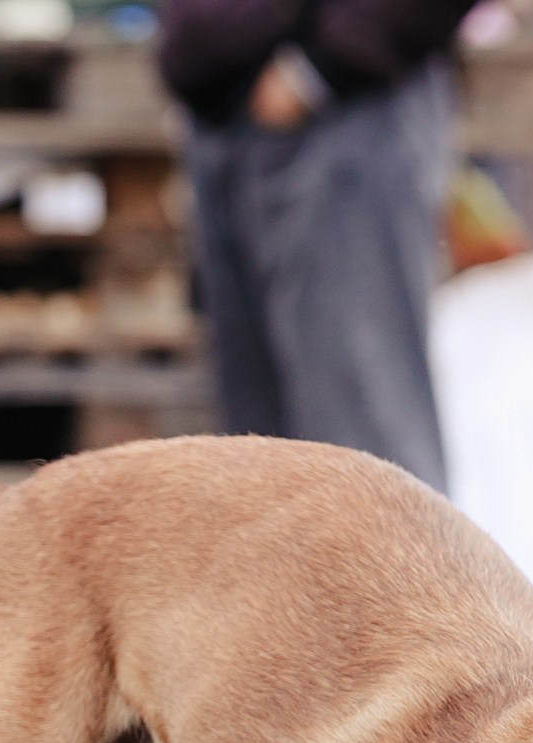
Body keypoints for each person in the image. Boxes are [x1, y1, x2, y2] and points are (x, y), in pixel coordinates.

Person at [158, 0, 478, 491]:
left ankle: (396, 571)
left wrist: (319, 70)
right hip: (224, 109)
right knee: (261, 476)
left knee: (367, 456)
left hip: (346, 107)